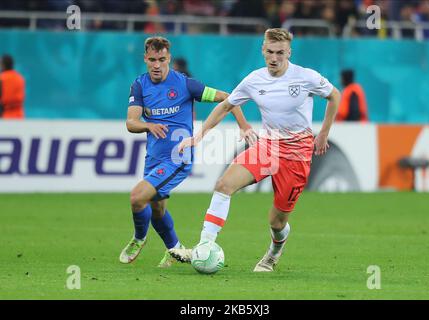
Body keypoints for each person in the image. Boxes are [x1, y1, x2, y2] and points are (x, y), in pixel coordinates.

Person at [170, 28, 341, 272]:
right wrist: (198, 136)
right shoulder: (254, 80)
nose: (274, 58)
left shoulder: (305, 77)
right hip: (267, 146)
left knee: (277, 221)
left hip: (297, 152)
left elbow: (335, 96)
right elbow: (225, 105)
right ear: (263, 50)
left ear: (289, 52)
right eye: (270, 52)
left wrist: (323, 133)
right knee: (223, 185)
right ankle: (205, 245)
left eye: (280, 53)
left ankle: (274, 251)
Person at [119, 36, 254, 267]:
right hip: (153, 158)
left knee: (137, 197)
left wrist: (244, 125)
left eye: (162, 59)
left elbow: (228, 99)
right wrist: (148, 125)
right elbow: (131, 122)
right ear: (145, 59)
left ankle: (139, 238)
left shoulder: (185, 84)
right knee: (157, 209)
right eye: (152, 59)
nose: (157, 65)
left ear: (168, 58)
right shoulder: (139, 85)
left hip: (177, 158)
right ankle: (175, 249)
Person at [0, 55, 25, 119]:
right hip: (19, 115)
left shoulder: (1, 78)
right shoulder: (20, 78)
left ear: (3, 65)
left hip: (5, 114)